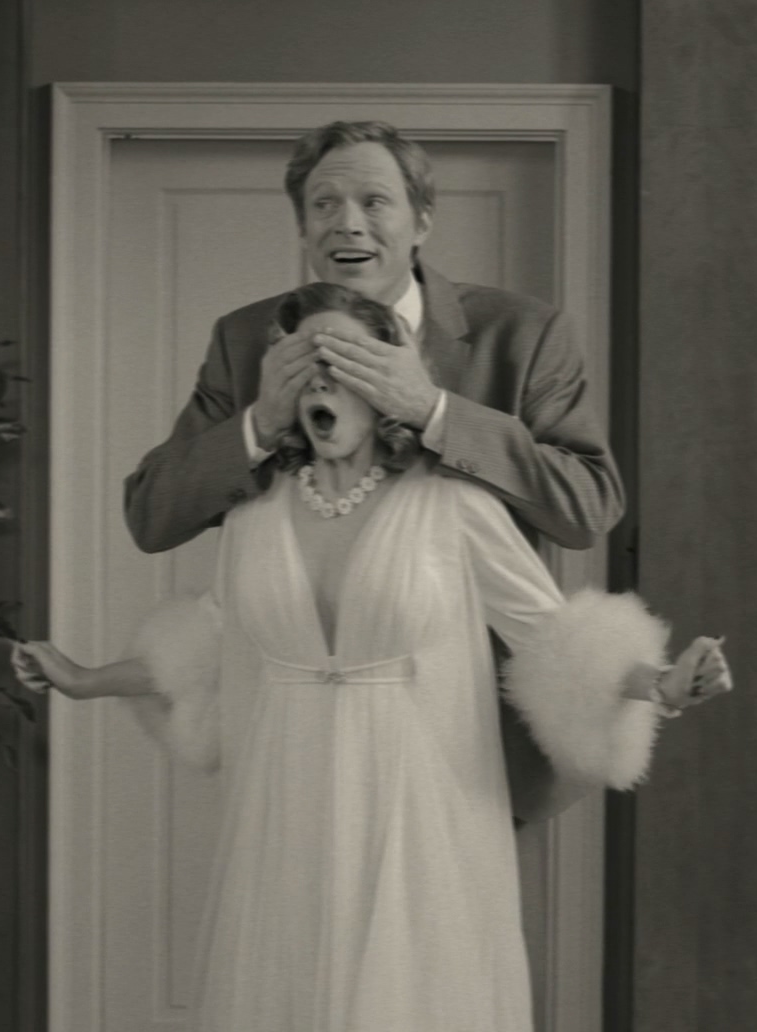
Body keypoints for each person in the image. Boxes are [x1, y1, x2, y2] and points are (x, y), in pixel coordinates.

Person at [15, 283, 732, 1032]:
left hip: (418, 800)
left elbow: (553, 639)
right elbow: (214, 642)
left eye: (345, 361)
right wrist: (85, 680)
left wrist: (663, 684)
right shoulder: (253, 512)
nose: (323, 381)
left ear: (389, 381)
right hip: (286, 799)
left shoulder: (453, 503)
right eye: (305, 364)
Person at [121, 119, 627, 823]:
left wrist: (435, 411)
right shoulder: (245, 340)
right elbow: (151, 514)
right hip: (292, 738)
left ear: (422, 220)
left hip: (471, 739)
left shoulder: (522, 333)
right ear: (303, 227)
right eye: (324, 204)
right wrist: (260, 422)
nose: (348, 223)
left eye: (374, 201)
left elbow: (588, 506)